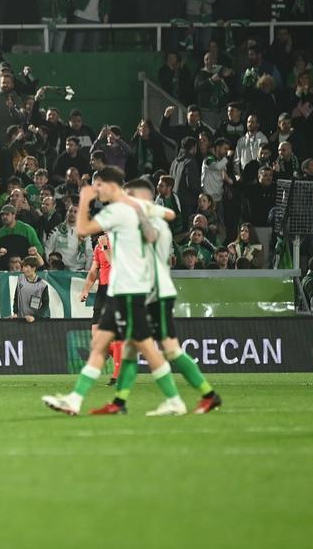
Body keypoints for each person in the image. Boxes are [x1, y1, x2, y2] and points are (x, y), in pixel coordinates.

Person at [43, 167, 185, 416]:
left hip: (130, 292)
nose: (96, 190)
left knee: (147, 349)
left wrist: (85, 200)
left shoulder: (119, 211)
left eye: (99, 185)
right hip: (121, 290)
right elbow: (169, 214)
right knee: (101, 345)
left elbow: (83, 230)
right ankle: (77, 399)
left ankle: (174, 399)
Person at [94, 178, 222, 415]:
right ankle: (120, 403)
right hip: (149, 293)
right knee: (133, 348)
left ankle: (202, 395)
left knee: (169, 350)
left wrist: (110, 247)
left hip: (154, 295)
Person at [79, 233, 121, 384]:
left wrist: (105, 247)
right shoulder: (99, 244)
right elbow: (93, 270)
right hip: (102, 290)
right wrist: (85, 290)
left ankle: (117, 374)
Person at [10, 254, 49, 321]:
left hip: (36, 321)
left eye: (26, 267)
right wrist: (15, 313)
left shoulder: (43, 285)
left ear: (33, 268)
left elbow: (45, 305)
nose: (23, 269)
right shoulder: (20, 279)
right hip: (21, 320)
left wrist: (34, 317)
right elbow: (16, 298)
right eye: (23, 266)